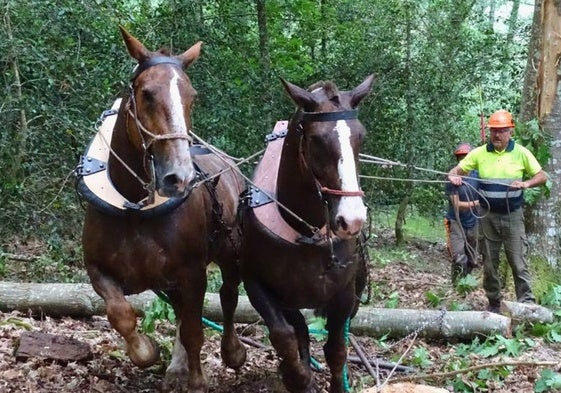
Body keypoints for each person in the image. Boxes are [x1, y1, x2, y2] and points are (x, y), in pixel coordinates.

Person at [447, 109, 547, 313]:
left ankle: (526, 305)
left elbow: (542, 175)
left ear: (511, 131)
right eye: (493, 131)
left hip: (513, 214)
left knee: (517, 260)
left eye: (501, 131)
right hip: (487, 215)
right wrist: (454, 176)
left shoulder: (521, 152)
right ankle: (493, 303)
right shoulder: (479, 153)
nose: (497, 135)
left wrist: (526, 184)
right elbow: (456, 170)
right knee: (490, 262)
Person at [445, 143, 480, 284]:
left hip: (474, 221)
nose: (463, 160)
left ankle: (466, 282)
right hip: (455, 222)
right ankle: (456, 284)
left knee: (472, 258)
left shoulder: (478, 176)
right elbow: (457, 205)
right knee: (459, 256)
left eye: (466, 157)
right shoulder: (452, 179)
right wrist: (478, 203)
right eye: (461, 158)